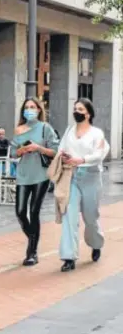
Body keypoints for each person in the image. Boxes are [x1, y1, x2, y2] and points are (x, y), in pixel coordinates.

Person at [57, 98, 109, 272]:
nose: (76, 112)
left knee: (90, 217)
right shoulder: (69, 131)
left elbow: (100, 153)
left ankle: (96, 244)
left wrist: (82, 159)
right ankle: (69, 257)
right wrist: (63, 156)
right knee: (69, 217)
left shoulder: (97, 133)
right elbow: (61, 148)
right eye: (75, 108)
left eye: (80, 109)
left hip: (91, 177)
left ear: (88, 113)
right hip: (71, 177)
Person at [11, 97, 59, 266]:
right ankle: (33, 237)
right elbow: (12, 153)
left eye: (33, 107)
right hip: (23, 174)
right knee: (20, 212)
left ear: (39, 110)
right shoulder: (19, 130)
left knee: (34, 211)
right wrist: (22, 150)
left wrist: (38, 148)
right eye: (27, 107)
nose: (30, 109)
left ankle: (32, 252)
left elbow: (55, 151)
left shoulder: (45, 128)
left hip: (41, 174)